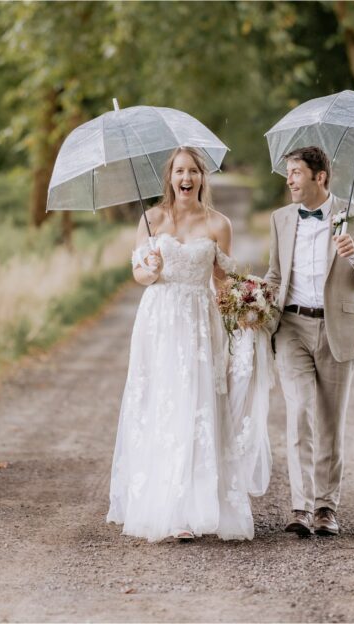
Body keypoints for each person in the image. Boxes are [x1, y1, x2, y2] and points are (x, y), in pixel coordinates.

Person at [107, 146, 262, 542]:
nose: (186, 178)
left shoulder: (218, 224)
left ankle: (195, 507)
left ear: (202, 177)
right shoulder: (152, 219)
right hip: (158, 321)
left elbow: (224, 280)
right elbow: (139, 276)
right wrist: (150, 269)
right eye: (179, 171)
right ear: (170, 177)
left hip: (199, 324)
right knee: (161, 403)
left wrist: (245, 312)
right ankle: (167, 506)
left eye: (193, 171)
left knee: (197, 404)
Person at [265, 146, 354, 536]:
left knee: (331, 422)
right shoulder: (280, 219)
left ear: (320, 177)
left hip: (338, 329)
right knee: (299, 412)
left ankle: (325, 508)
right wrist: (254, 305)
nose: (290, 180)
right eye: (289, 173)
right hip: (292, 327)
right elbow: (273, 275)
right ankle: (300, 507)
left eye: (296, 173)